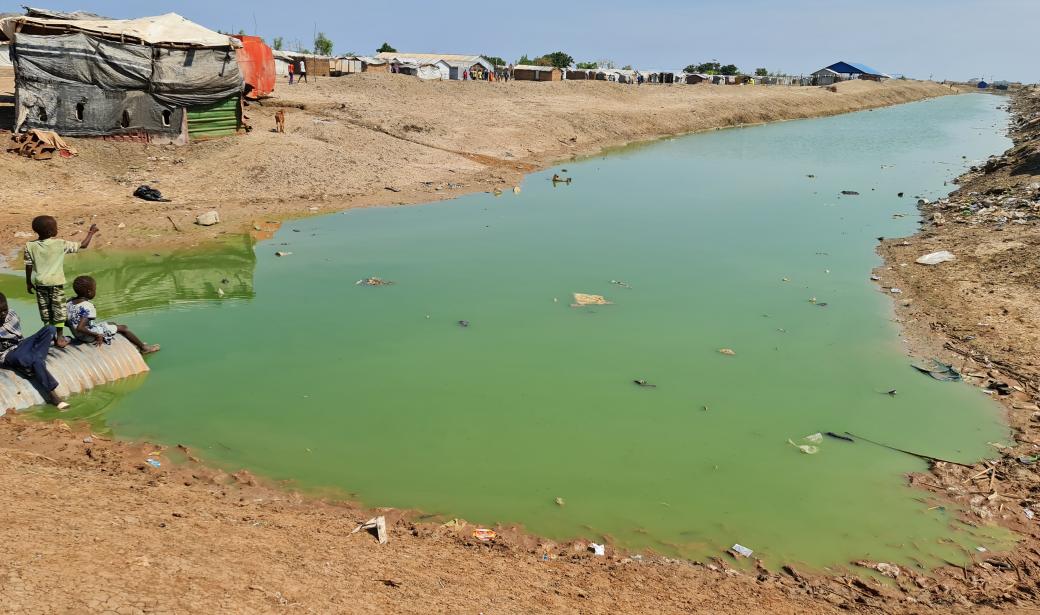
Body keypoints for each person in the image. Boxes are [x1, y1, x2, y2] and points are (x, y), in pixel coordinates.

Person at [24, 216, 98, 348]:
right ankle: (59, 338)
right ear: (50, 232)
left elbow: (28, 266)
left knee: (45, 311)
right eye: (55, 227)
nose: (57, 229)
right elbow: (84, 245)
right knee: (59, 311)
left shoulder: (30, 246)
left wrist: (28, 282)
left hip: (40, 284)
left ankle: (49, 337)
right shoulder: (60, 243)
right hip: (55, 284)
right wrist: (91, 232)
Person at [0, 293, 67, 409]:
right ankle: (52, 395)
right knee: (29, 358)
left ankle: (31, 363)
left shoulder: (11, 314)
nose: (2, 314)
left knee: (50, 329)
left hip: (21, 345)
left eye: (4, 309)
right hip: (7, 353)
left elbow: (18, 336)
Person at [67, 276, 159, 355]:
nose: (95, 291)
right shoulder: (88, 306)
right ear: (89, 292)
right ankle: (144, 348)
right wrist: (97, 335)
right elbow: (80, 327)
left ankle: (133, 344)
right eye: (95, 289)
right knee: (124, 328)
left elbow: (70, 323)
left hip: (77, 335)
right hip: (88, 337)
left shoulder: (69, 302)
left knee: (112, 323)